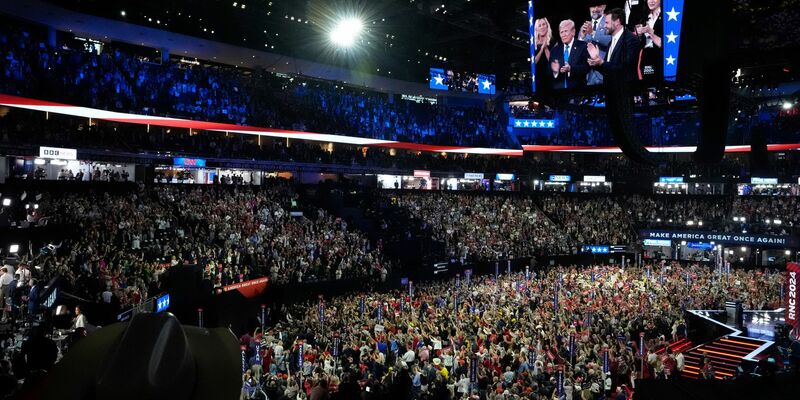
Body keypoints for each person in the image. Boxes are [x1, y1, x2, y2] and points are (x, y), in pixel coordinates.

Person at [586, 8, 641, 83]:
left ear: (617, 22)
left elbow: (626, 68)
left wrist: (602, 62)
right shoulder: (611, 42)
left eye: (607, 23)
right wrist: (596, 63)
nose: (605, 26)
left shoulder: (631, 39)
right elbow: (607, 69)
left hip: (624, 90)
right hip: (610, 89)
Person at [550, 20, 590, 89]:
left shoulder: (582, 46)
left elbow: (586, 68)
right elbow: (548, 72)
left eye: (565, 31)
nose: (563, 35)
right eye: (561, 32)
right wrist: (554, 71)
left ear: (573, 32)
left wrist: (571, 69)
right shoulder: (555, 50)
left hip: (578, 90)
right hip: (559, 92)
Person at [579, 3, 612, 85]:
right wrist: (582, 38)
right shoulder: (584, 27)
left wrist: (592, 33)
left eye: (598, 6)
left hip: (604, 73)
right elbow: (579, 51)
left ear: (604, 7)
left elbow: (611, 42)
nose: (595, 9)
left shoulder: (609, 23)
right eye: (593, 6)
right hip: (589, 75)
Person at [635, 0, 663, 82]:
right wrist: (639, 35)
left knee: (658, 83)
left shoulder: (666, 16)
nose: (651, 1)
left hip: (659, 56)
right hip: (646, 56)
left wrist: (650, 31)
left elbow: (666, 42)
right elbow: (641, 42)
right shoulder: (645, 17)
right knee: (647, 84)